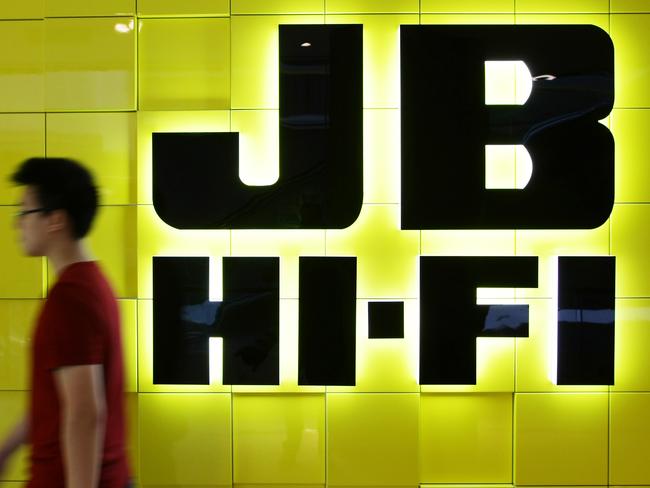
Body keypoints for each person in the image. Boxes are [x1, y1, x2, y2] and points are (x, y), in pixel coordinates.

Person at [0, 158, 129, 488]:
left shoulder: (71, 298)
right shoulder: (92, 284)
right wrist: (7, 449)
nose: (17, 224)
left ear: (55, 220)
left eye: (24, 212)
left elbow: (84, 413)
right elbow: (62, 402)